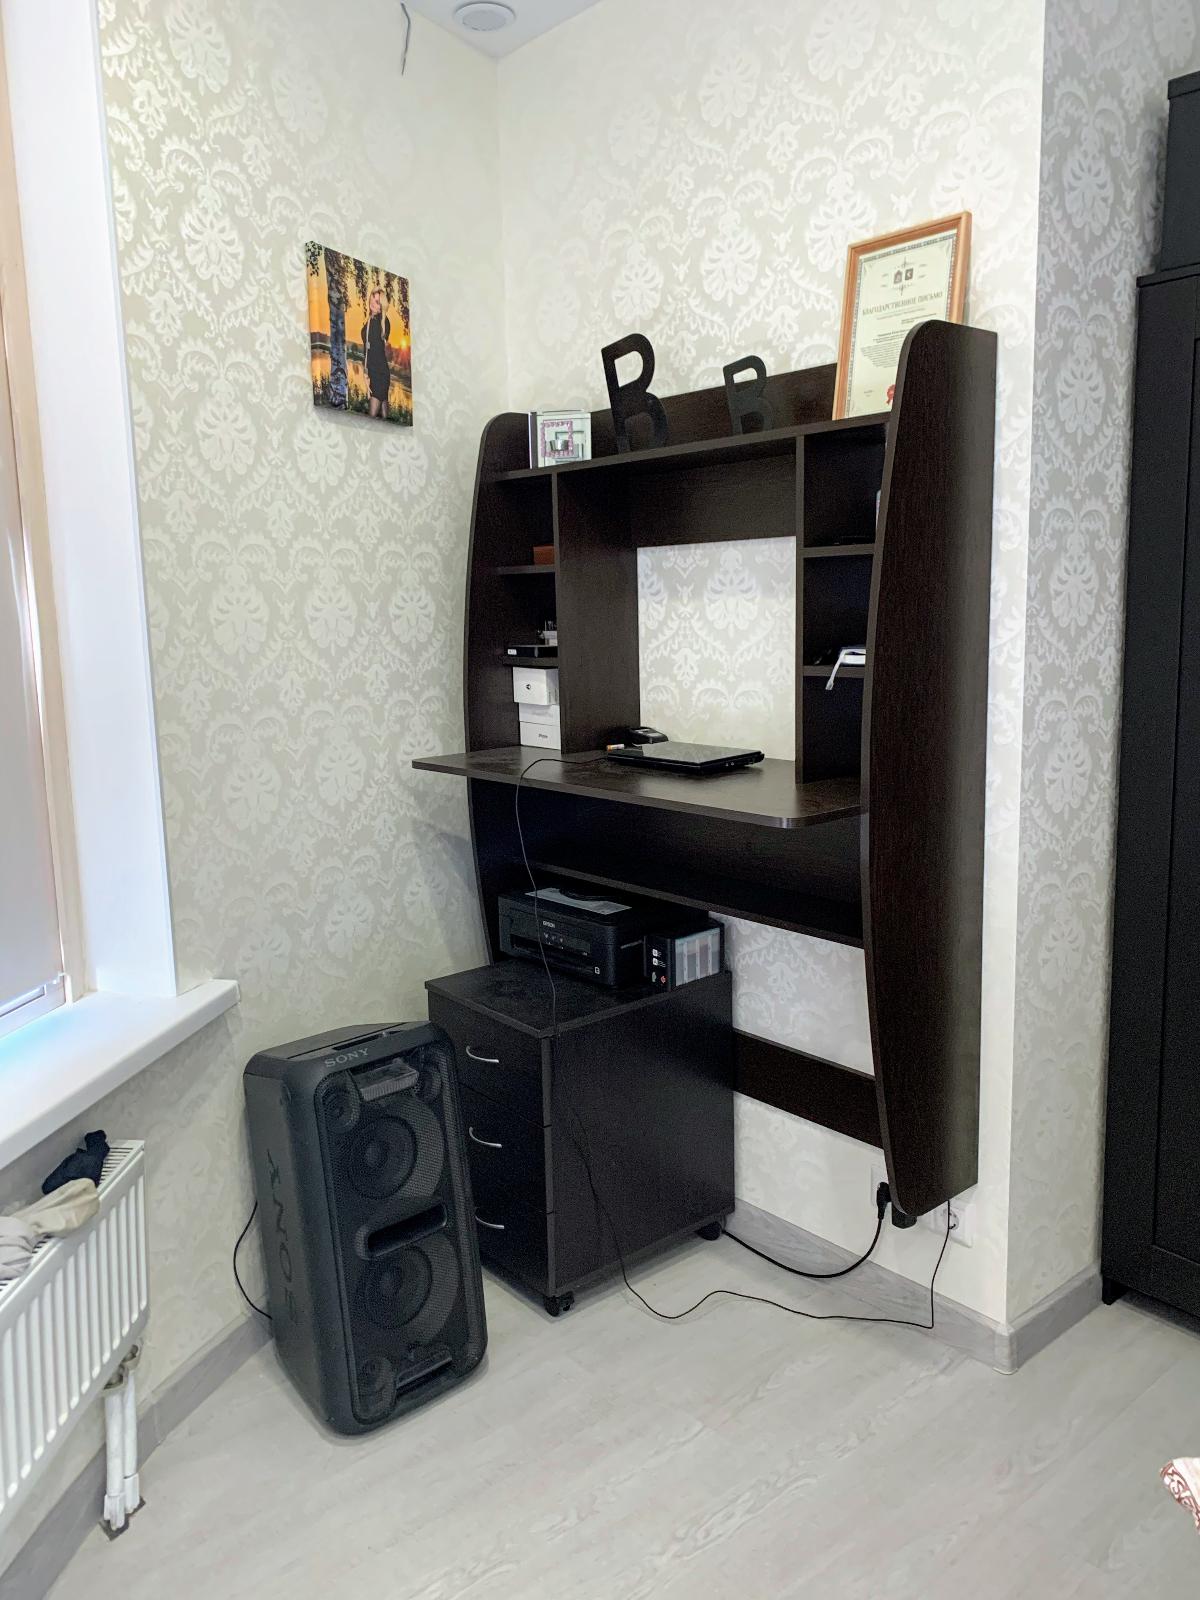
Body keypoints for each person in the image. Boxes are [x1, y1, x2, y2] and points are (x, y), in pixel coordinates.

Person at [361, 287, 391, 418]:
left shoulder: (380, 321)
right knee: (384, 417)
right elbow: (369, 350)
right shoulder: (372, 320)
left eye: (377, 302)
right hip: (377, 373)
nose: (373, 302)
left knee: (372, 418)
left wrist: (368, 375)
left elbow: (375, 352)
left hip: (378, 374)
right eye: (372, 298)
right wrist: (367, 373)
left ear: (382, 306)